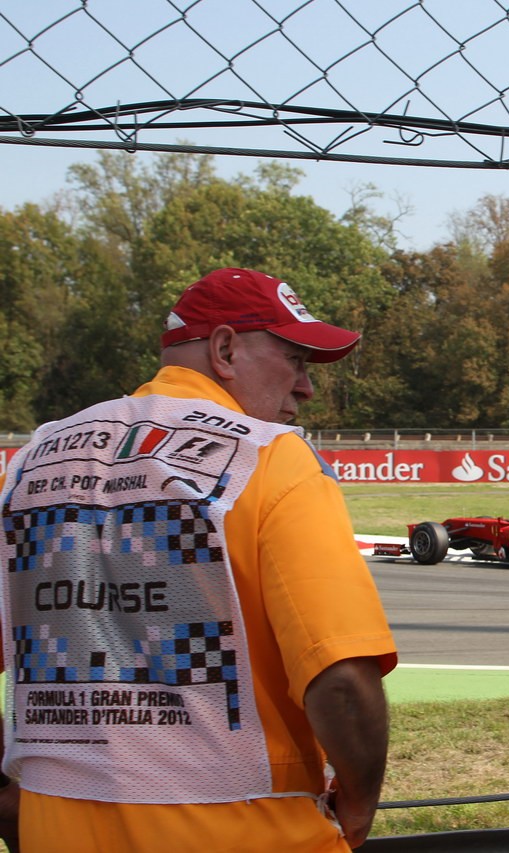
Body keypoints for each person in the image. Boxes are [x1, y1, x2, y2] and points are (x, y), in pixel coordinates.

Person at [0, 268, 397, 851]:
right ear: (226, 349)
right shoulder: (272, 459)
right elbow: (339, 679)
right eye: (296, 360)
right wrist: (360, 804)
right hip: (249, 831)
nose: (306, 387)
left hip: (56, 829)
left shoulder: (31, 463)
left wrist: (9, 799)